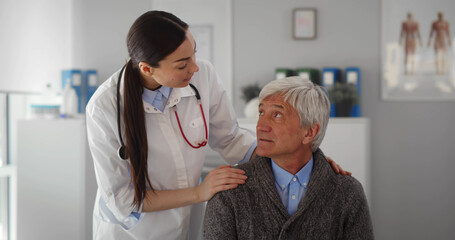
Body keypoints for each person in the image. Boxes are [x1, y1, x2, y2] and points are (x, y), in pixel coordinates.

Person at [86, 11, 348, 240]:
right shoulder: (104, 108)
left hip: (185, 225)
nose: (195, 67)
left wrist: (306, 163)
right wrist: (200, 192)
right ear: (147, 68)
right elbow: (122, 198)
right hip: (132, 233)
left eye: (194, 54)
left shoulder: (203, 76)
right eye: (182, 64)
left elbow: (231, 139)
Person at [203, 77, 373, 239]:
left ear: (309, 132)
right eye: (261, 112)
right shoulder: (228, 191)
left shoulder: (348, 193)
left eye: (276, 115)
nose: (260, 126)